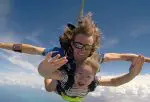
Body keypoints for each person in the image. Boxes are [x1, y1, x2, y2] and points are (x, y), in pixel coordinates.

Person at [0, 13, 149, 92]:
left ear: (92, 48)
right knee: (49, 88)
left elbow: (122, 57)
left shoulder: (94, 57)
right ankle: (52, 74)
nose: (82, 51)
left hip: (74, 81)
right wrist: (2, 45)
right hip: (59, 75)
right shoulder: (60, 53)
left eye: (87, 47)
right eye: (78, 44)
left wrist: (140, 63)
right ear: (72, 43)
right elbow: (31, 49)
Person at [38, 52, 145, 102]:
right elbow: (45, 73)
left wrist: (132, 74)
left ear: (94, 77)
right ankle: (56, 75)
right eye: (79, 74)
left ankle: (55, 74)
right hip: (64, 93)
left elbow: (114, 82)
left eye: (88, 76)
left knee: (53, 79)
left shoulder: (95, 81)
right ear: (74, 73)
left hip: (76, 98)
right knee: (49, 88)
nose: (82, 79)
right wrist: (46, 69)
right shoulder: (67, 78)